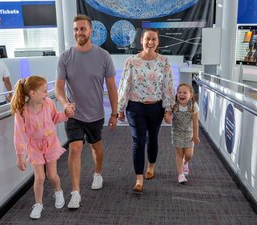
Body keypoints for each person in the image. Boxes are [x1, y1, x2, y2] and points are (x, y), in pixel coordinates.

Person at [56, 14, 118, 209]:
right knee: (74, 148)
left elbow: (112, 87)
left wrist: (115, 113)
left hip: (95, 113)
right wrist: (65, 103)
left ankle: (97, 173)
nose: (78, 32)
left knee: (96, 147)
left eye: (82, 29)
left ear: (91, 31)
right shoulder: (65, 57)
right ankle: (75, 192)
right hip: (73, 114)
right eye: (76, 29)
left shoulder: (103, 56)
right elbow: (58, 88)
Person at [117, 28, 175, 194]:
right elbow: (124, 85)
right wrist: (120, 108)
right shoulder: (132, 61)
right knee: (138, 141)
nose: (150, 42)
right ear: (141, 40)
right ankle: (139, 179)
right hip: (135, 108)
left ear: (158, 42)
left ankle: (151, 165)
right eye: (147, 39)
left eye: (154, 39)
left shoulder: (164, 61)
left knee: (152, 139)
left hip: (156, 108)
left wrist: (168, 109)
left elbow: (168, 86)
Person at [11, 75, 70, 219]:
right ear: (32, 93)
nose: (47, 93)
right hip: (34, 147)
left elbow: (55, 118)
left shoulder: (48, 103)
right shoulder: (22, 111)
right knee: (40, 177)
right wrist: (20, 156)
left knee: (52, 175)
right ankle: (38, 204)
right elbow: (19, 134)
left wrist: (66, 114)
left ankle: (58, 191)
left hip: (50, 144)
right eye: (44, 91)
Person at [164, 83, 200, 184]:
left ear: (190, 95)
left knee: (189, 154)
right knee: (179, 153)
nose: (181, 94)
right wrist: (167, 118)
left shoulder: (193, 106)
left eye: (185, 93)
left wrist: (195, 136)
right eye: (179, 92)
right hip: (177, 132)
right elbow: (168, 120)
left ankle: (185, 163)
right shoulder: (174, 105)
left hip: (189, 133)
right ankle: (180, 174)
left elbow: (195, 123)